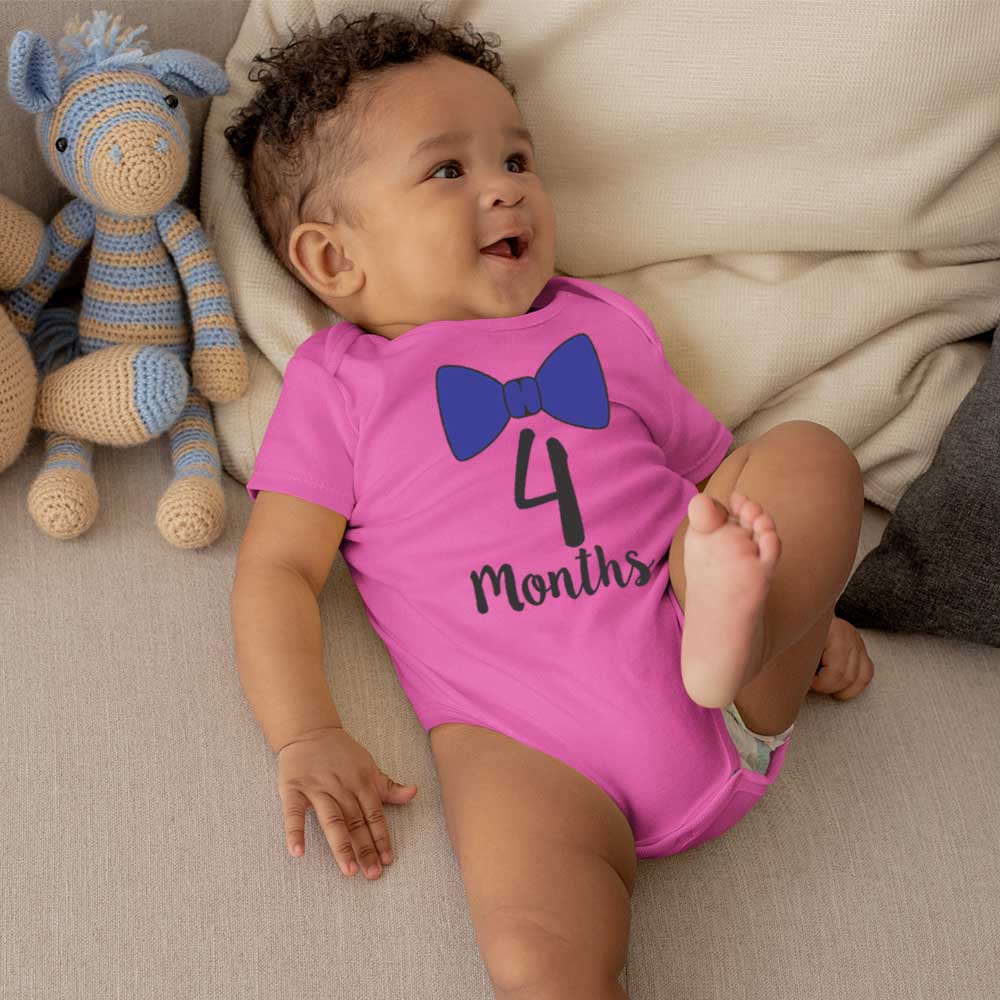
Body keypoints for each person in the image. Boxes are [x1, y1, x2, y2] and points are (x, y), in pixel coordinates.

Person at [227, 8, 874, 998]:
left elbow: (723, 485)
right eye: (448, 170)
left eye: (518, 159)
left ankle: (745, 634)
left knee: (811, 456)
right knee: (538, 959)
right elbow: (276, 568)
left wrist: (801, 601)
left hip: (704, 657)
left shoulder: (602, 326)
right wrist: (305, 730)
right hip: (528, 749)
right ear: (332, 260)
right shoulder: (340, 385)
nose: (505, 187)